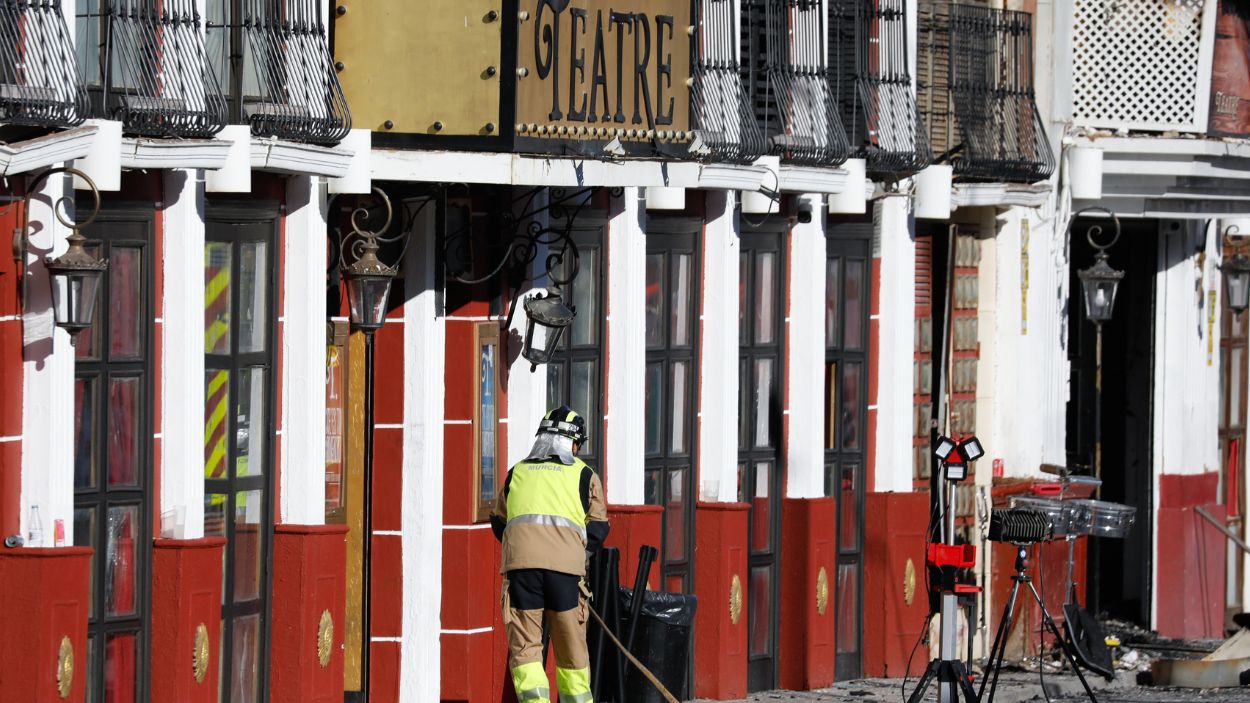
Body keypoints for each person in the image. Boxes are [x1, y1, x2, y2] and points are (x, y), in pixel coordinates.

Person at [491, 405, 610, 703]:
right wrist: (576, 554)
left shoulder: (516, 472)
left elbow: (499, 521)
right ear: (573, 442)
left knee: (527, 650)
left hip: (521, 572)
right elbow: (598, 527)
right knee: (571, 650)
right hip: (566, 575)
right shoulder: (585, 475)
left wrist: (524, 548)